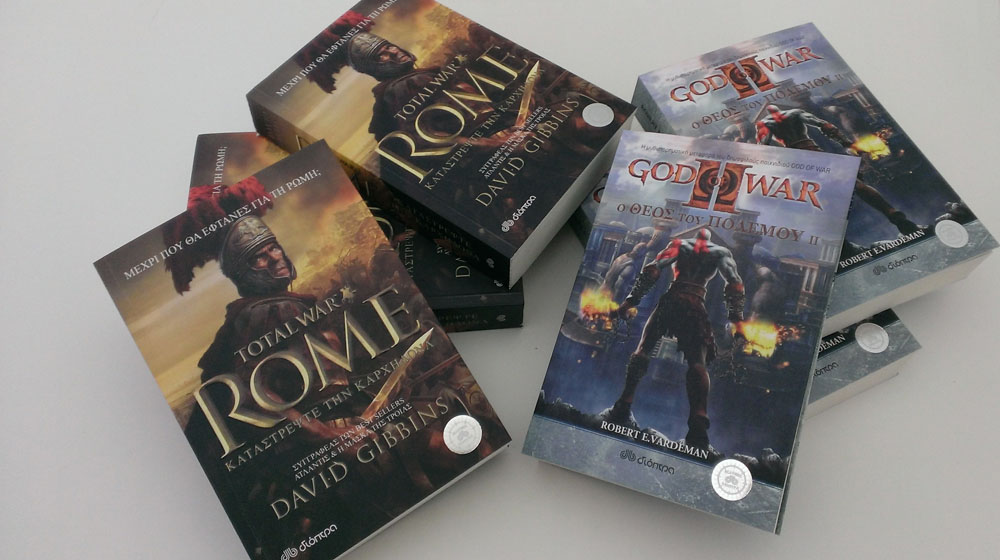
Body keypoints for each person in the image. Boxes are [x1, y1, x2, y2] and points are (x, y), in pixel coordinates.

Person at [606, 229, 744, 450]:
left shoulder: (680, 244)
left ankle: (624, 403)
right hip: (695, 304)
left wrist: (630, 302)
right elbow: (735, 284)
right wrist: (737, 320)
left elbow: (653, 269)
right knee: (698, 363)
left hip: (672, 299)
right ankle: (698, 426)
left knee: (644, 349)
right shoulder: (720, 252)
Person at [755, 104, 919, 234]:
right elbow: (827, 126)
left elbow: (763, 147)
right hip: (813, 151)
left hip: (796, 160)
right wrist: (846, 143)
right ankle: (893, 214)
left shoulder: (765, 123)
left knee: (811, 196)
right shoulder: (795, 113)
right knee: (856, 185)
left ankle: (830, 235)